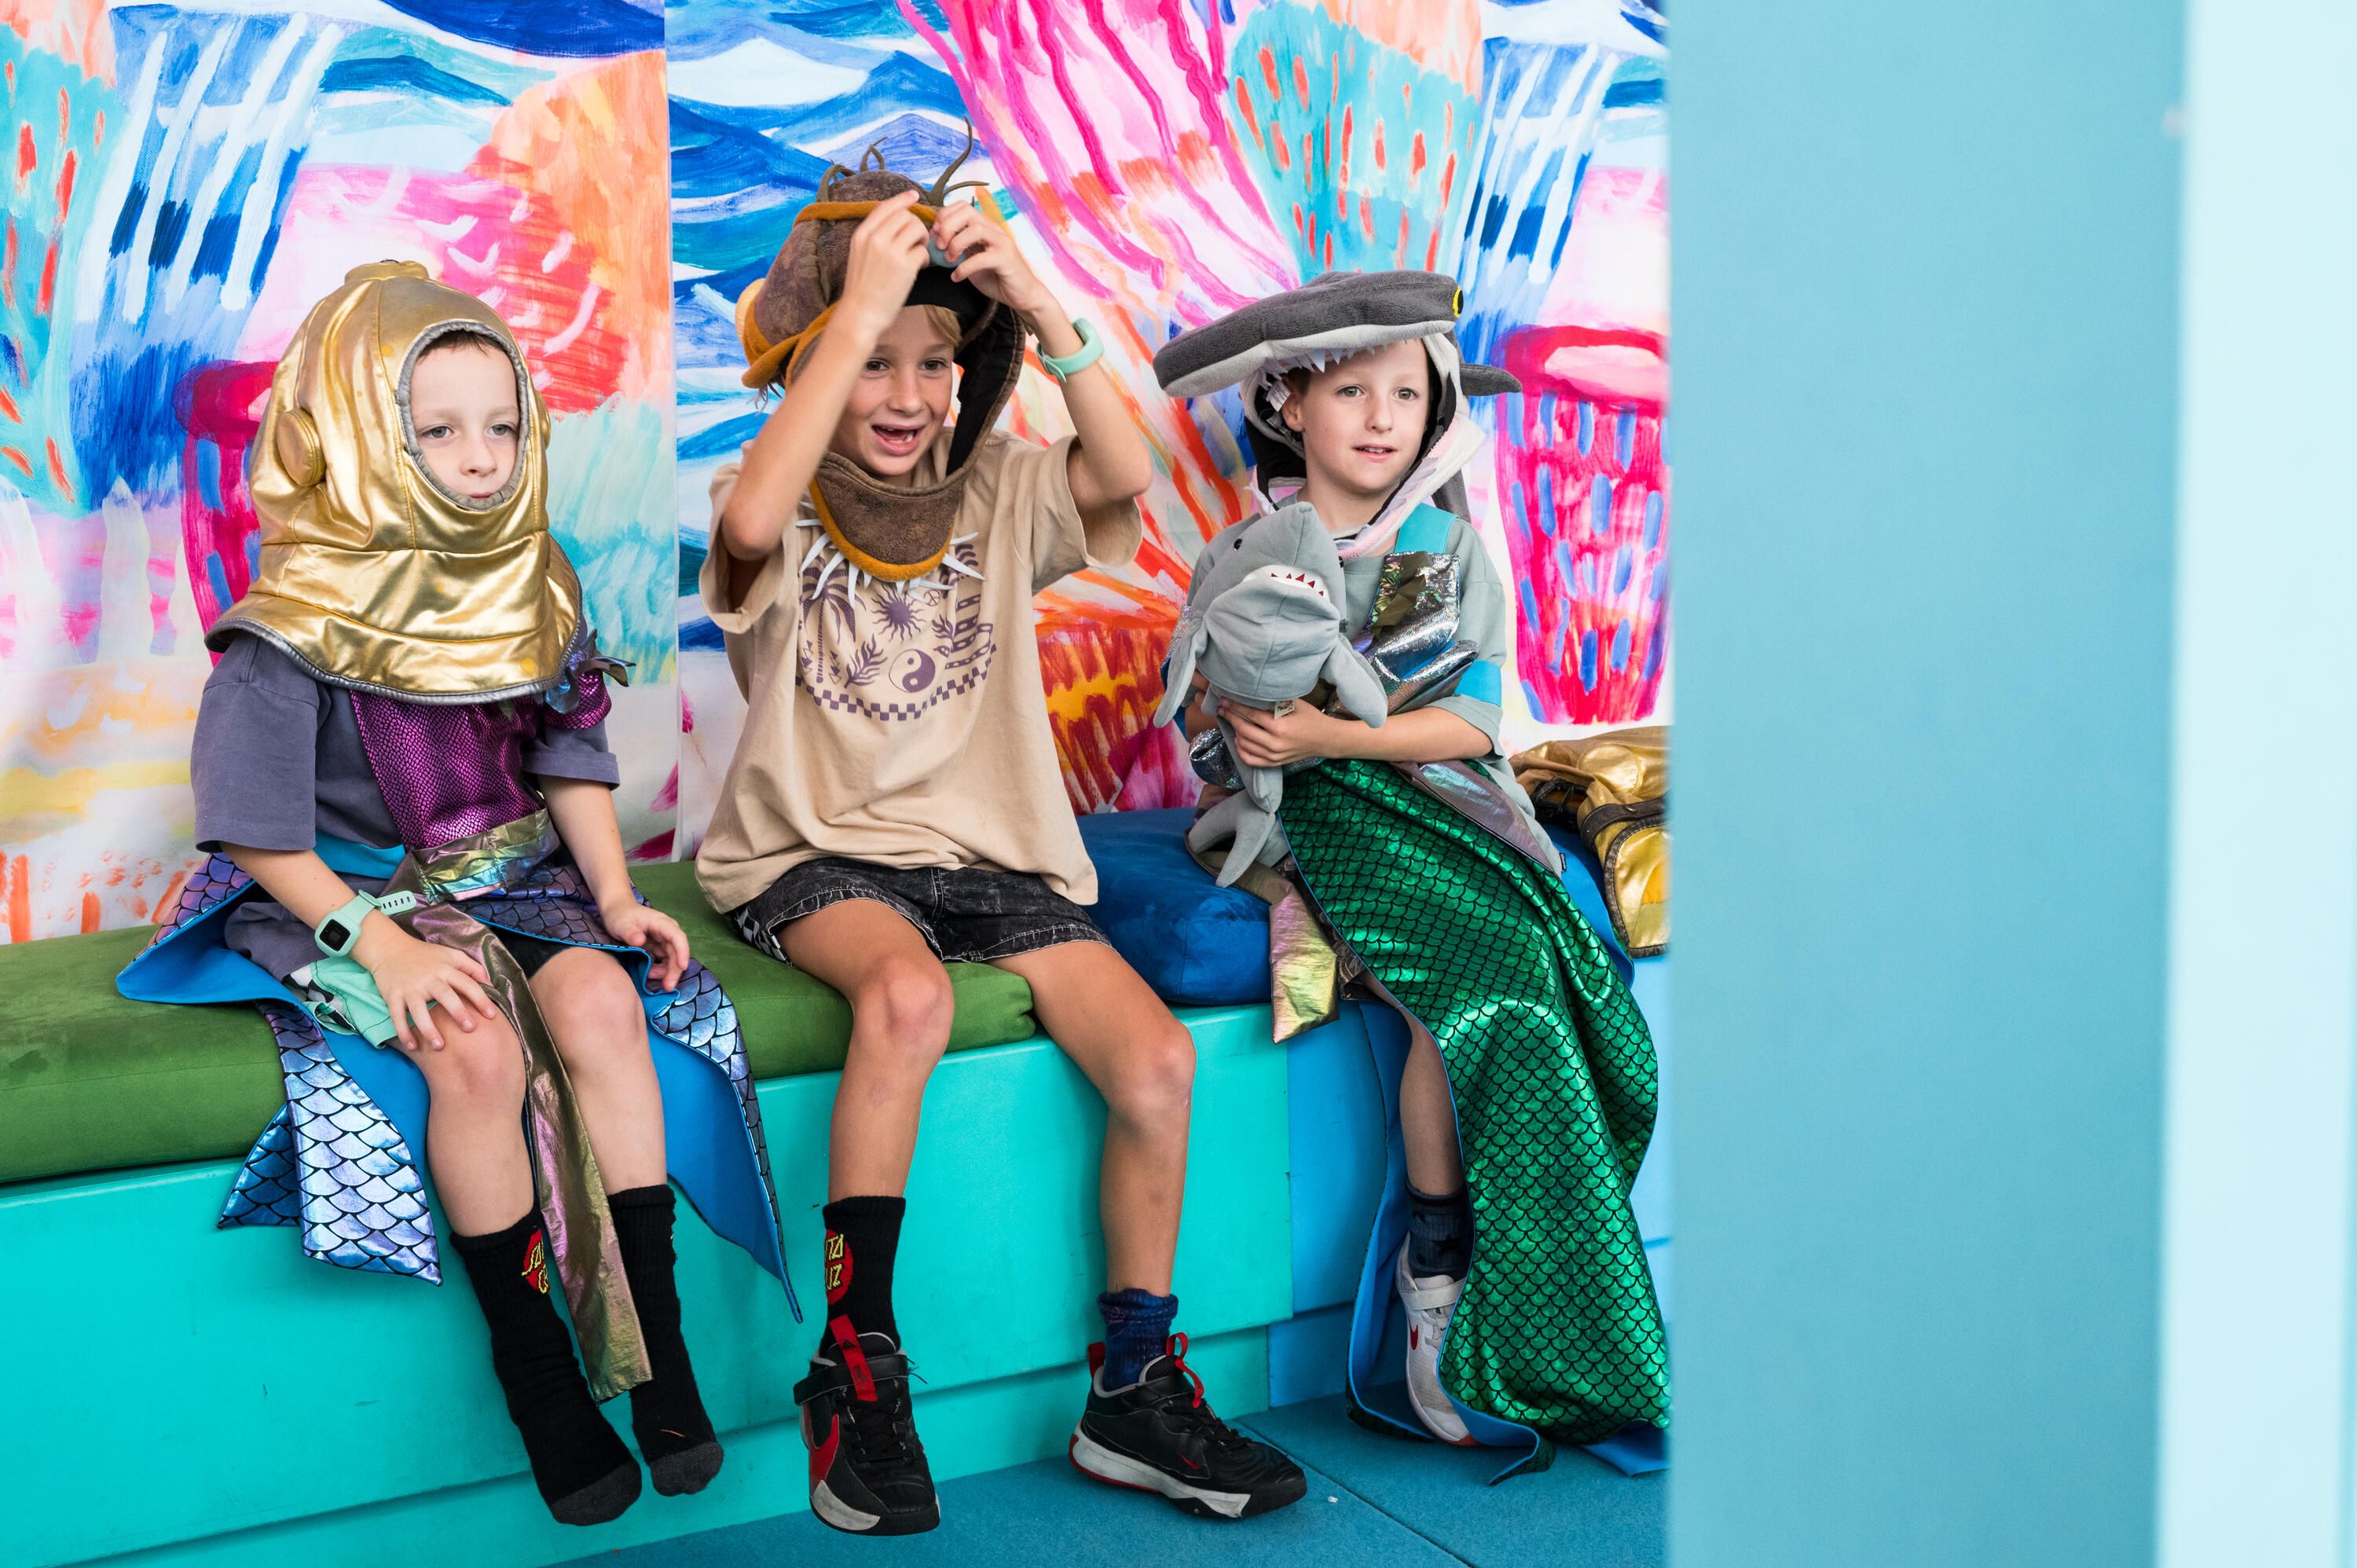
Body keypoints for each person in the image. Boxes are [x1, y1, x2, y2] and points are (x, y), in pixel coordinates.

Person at [119, 263, 788, 1526]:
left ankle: (661, 1344)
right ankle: (538, 1373)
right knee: (467, 1046)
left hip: (507, 876)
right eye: (435, 430)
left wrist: (613, 895)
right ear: (367, 436)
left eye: (500, 426)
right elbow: (260, 836)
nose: (479, 459)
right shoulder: (290, 625)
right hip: (338, 890)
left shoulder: (531, 575)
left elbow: (566, 754)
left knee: (600, 1001)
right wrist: (380, 945)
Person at [697, 150, 1307, 1533]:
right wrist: (849, 314)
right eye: (875, 363)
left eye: (934, 364)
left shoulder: (1002, 489)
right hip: (814, 851)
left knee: (1155, 1058)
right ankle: (854, 1367)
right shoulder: (778, 493)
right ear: (823, 362)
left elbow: (1126, 463)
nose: (907, 396)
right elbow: (741, 519)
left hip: (992, 861)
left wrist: (1027, 288)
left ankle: (1134, 1387)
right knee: (903, 996)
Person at [1153, 270, 1670, 1453]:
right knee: (1480, 1008)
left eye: (1405, 392)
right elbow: (1201, 728)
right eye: (1352, 391)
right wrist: (1243, 736)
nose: (1383, 417)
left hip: (1445, 805)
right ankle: (1434, 1296)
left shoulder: (1443, 546)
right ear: (1289, 401)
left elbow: (1478, 725)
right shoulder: (1244, 553)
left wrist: (1338, 731)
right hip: (1316, 825)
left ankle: (1516, 1308)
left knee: (1555, 994)